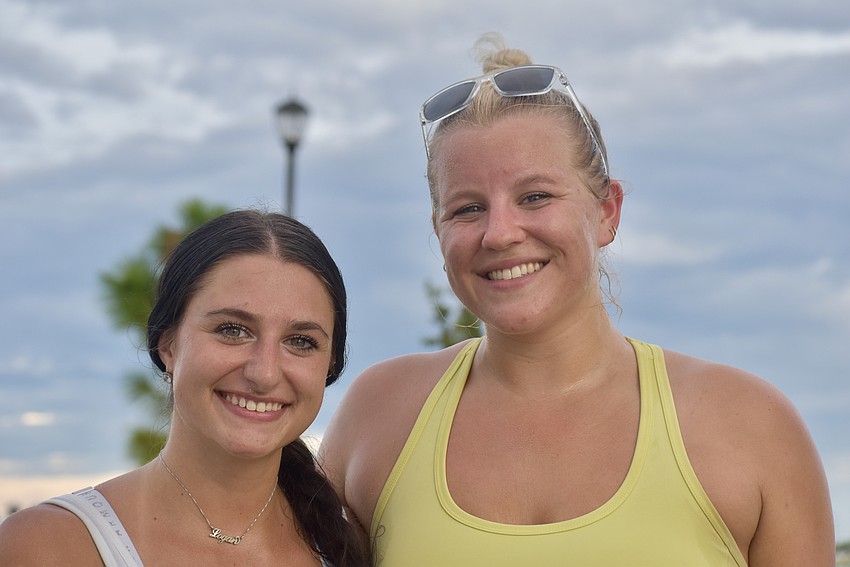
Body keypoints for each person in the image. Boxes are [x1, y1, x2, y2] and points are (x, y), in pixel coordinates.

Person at [319, 35, 835, 566]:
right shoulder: (379, 416)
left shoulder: (749, 425)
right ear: (438, 230)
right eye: (467, 209)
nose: (499, 233)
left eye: (535, 197)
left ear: (607, 211)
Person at [0, 210, 370, 566]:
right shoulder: (49, 546)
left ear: (330, 364)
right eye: (232, 330)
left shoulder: (347, 542)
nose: (265, 373)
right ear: (168, 345)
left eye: (301, 341)